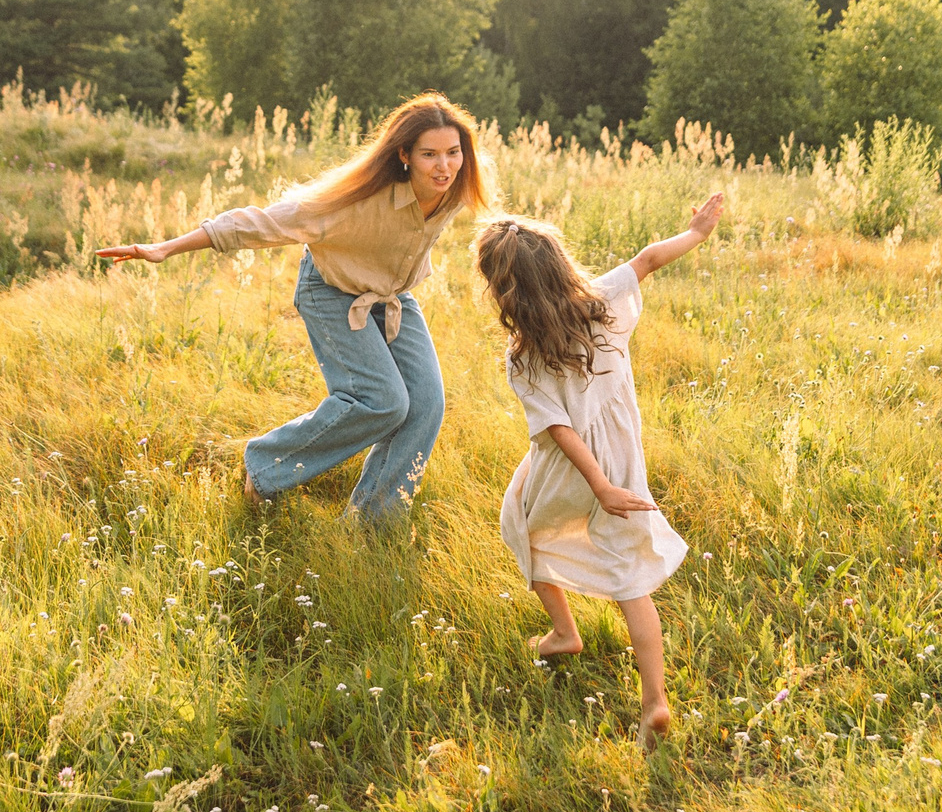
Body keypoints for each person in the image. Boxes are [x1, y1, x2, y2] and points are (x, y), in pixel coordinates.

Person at [95, 93, 494, 520]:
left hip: (392, 297)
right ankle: (266, 465)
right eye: (429, 155)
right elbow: (261, 222)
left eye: (453, 153)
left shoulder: (452, 191)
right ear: (404, 155)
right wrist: (165, 248)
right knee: (383, 401)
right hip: (331, 289)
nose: (444, 166)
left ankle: (373, 523)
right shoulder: (354, 202)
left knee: (427, 403)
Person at [474, 192, 724, 746]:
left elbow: (558, 431)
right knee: (630, 580)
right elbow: (649, 258)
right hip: (618, 461)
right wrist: (698, 234)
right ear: (561, 266)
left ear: (503, 292)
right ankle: (655, 700)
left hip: (568, 468)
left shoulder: (521, 355)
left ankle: (564, 631)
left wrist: (596, 486)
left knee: (521, 524)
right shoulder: (603, 300)